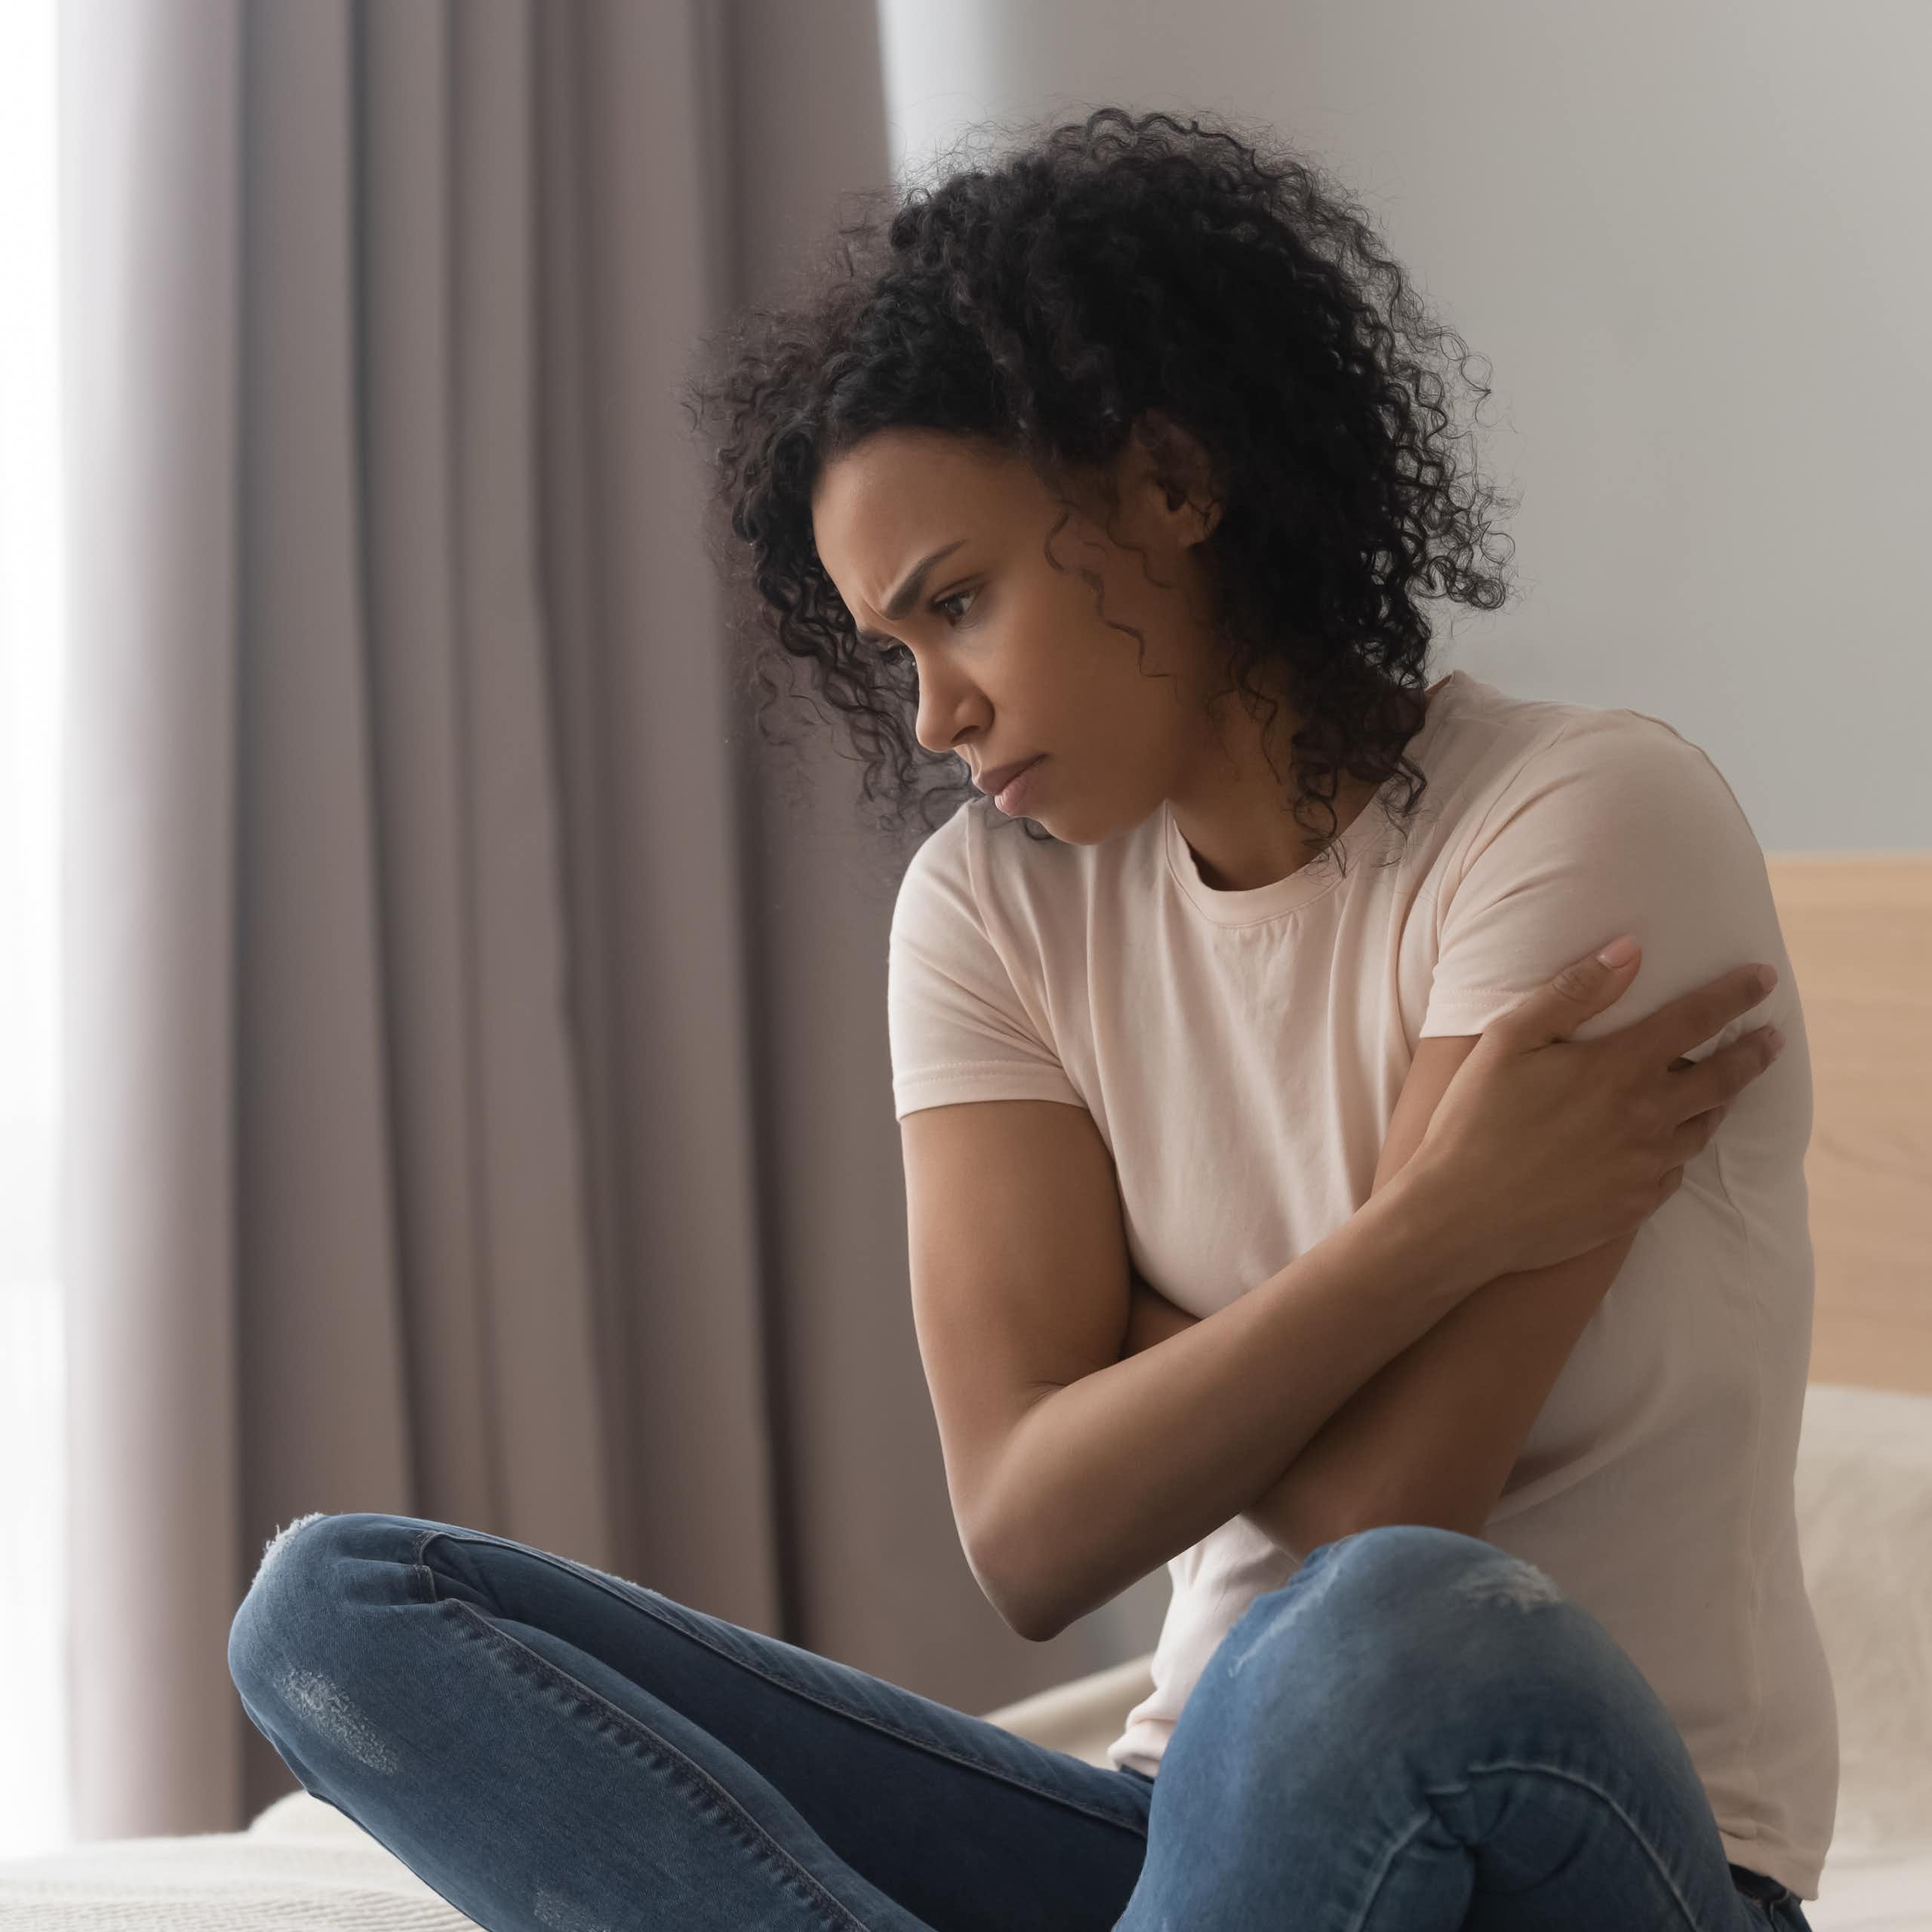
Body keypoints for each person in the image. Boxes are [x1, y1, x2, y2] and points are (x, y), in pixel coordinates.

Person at [230, 106, 1826, 1929]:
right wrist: (1430, 1228)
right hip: (1177, 1842)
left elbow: (1387, 1511)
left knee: (1377, 1623)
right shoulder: (989, 910)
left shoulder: (1575, 823)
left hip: (1588, 1846)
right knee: (336, 1610)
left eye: (959, 603)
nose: (933, 716)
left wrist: (1128, 1371)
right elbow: (1028, 1532)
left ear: (1171, 483)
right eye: (893, 649)